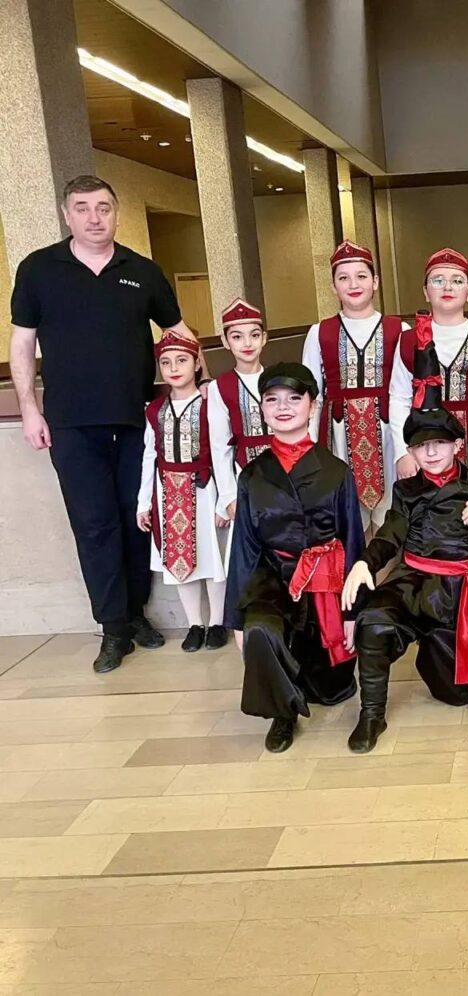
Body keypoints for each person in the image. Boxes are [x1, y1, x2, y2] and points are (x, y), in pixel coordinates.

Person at [9, 174, 198, 672]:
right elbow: (23, 343)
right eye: (82, 208)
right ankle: (112, 628)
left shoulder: (142, 271)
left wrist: (199, 391)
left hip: (137, 421)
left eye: (103, 208)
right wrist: (30, 408)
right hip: (71, 424)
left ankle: (135, 615)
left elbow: (180, 334)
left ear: (116, 213)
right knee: (94, 524)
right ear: (66, 214)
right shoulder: (38, 269)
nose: (94, 218)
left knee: (137, 520)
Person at [342, 314, 468, 753]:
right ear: (413, 451)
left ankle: (432, 649)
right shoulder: (407, 490)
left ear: (457, 445)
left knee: (458, 695)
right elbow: (391, 533)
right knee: (373, 623)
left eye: (439, 442)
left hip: (456, 595)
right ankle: (371, 715)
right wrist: (364, 563)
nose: (432, 451)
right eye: (422, 445)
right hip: (412, 582)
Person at [225, 363, 364, 753]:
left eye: (294, 398)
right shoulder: (252, 475)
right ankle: (281, 713)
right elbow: (243, 549)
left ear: (312, 405)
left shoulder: (336, 472)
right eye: (272, 400)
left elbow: (354, 543)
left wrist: (353, 613)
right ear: (262, 409)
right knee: (259, 629)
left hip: (325, 582)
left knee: (332, 689)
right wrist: (236, 619)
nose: (283, 407)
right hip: (273, 576)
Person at [301, 240, 409, 531]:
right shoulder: (319, 332)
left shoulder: (400, 330)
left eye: (361, 276)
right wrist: (308, 449)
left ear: (375, 282)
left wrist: (409, 447)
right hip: (338, 433)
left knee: (393, 518)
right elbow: (311, 398)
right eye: (343, 278)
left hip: (389, 432)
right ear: (333, 286)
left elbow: (410, 392)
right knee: (346, 520)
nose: (353, 284)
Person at [389, 248, 468, 486]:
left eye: (457, 281)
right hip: (426, 447)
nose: (447, 287)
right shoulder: (408, 339)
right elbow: (398, 398)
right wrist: (402, 452)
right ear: (425, 291)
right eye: (438, 281)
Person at [136, 334, 228, 652]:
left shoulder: (210, 403)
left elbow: (222, 451)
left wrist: (224, 500)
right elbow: (149, 456)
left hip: (205, 490)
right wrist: (143, 503)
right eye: (166, 362)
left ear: (197, 363)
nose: (174, 368)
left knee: (212, 558)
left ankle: (217, 622)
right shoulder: (154, 410)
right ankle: (195, 624)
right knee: (178, 560)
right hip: (168, 494)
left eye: (181, 360)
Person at [208, 298, 273, 532]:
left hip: (285, 472)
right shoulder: (219, 386)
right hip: (243, 474)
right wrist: (228, 497)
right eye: (237, 337)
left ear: (264, 338)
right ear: (225, 341)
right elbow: (220, 446)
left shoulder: (279, 378)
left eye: (254, 335)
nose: (247, 343)